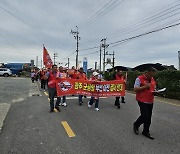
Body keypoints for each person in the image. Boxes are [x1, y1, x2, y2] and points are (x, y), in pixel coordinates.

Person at [133, 67, 157, 140]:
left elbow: (153, 88)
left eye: (153, 75)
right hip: (142, 99)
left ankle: (146, 131)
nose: (151, 77)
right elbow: (135, 89)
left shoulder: (152, 79)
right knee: (145, 115)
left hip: (150, 100)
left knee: (149, 117)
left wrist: (156, 92)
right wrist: (144, 87)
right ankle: (136, 124)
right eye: (150, 75)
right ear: (147, 72)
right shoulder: (139, 78)